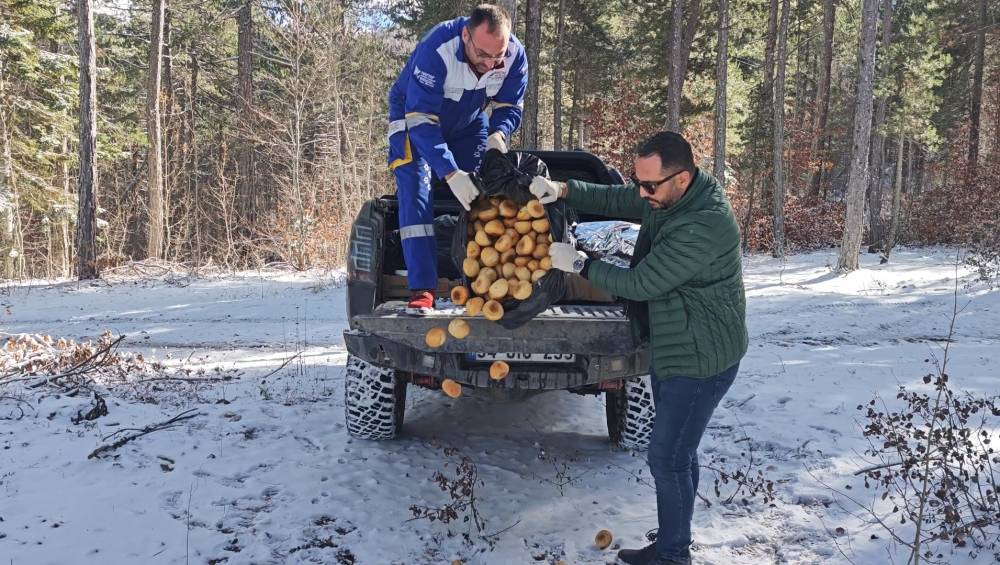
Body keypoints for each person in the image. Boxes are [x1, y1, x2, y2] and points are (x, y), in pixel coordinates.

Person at [530, 131, 748, 565]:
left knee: (667, 457)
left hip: (700, 358)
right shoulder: (671, 198)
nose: (642, 192)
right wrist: (565, 189)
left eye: (650, 185)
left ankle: (671, 556)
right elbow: (621, 200)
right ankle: (674, 539)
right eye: (639, 181)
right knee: (680, 454)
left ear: (682, 178)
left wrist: (579, 263)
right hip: (677, 344)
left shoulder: (701, 224)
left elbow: (641, 282)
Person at [388, 4, 528, 310]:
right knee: (416, 191)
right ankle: (422, 288)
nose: (490, 64)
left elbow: (509, 106)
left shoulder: (515, 56)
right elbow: (422, 119)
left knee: (486, 191)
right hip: (415, 119)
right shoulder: (437, 48)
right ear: (466, 35)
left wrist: (498, 134)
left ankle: (482, 281)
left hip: (468, 119)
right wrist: (451, 173)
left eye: (497, 56)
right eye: (482, 55)